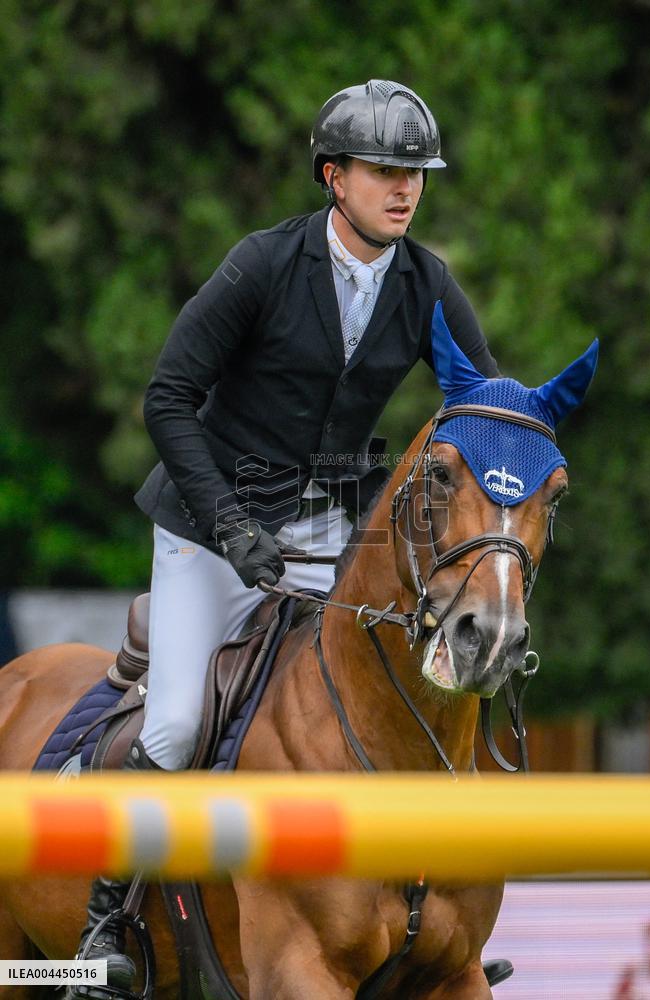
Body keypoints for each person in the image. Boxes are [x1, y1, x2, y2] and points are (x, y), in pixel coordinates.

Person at [68, 79, 499, 995]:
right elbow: (167, 398)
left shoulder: (427, 283)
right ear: (334, 177)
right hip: (209, 529)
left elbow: (481, 407)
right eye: (386, 171)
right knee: (180, 721)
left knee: (406, 696)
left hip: (332, 538)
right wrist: (228, 521)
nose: (406, 189)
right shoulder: (263, 265)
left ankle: (425, 921)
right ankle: (108, 913)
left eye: (416, 173)